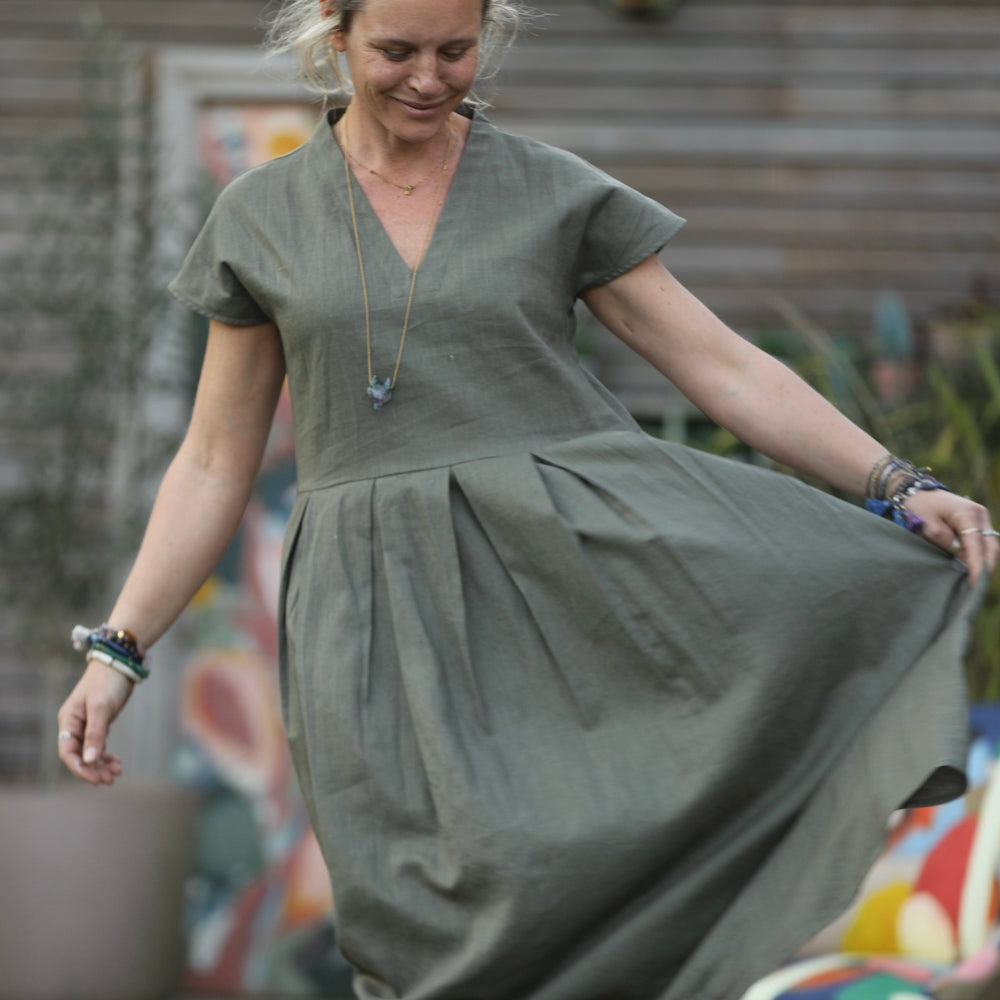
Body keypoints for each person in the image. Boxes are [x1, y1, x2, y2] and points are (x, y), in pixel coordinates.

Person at [58, 0, 998, 996]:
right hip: (370, 614)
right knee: (416, 920)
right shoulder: (261, 214)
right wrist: (120, 649)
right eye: (396, 51)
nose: (429, 78)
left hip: (568, 577)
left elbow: (720, 365)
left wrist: (895, 482)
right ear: (335, 32)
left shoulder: (548, 189)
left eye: (455, 50)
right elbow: (213, 461)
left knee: (587, 877)